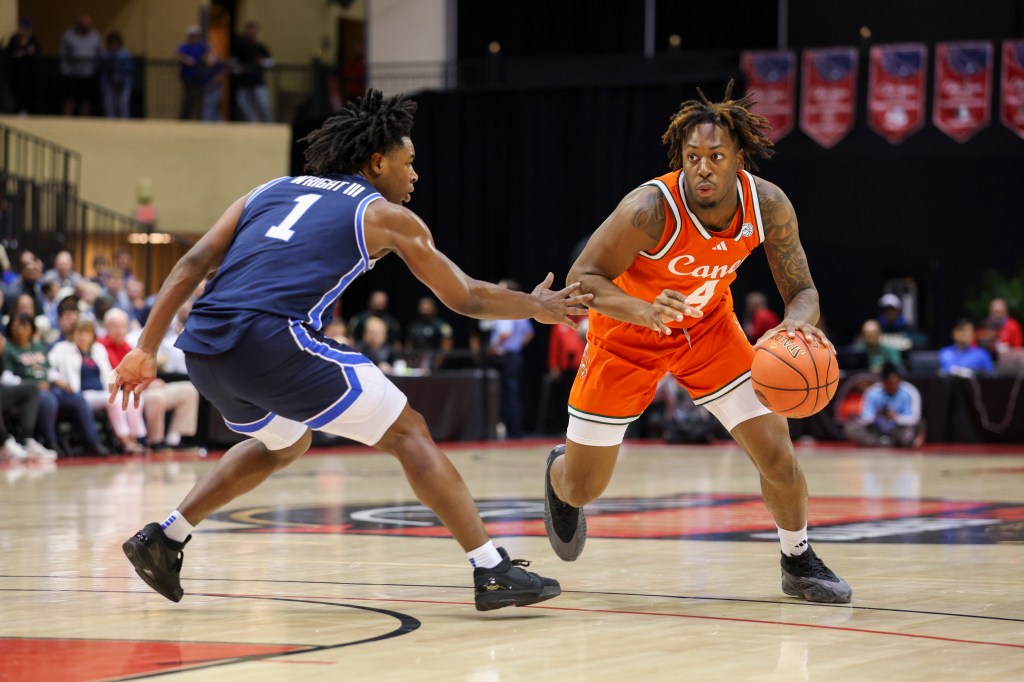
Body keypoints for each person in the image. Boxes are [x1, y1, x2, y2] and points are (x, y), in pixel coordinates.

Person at [108, 89, 590, 611]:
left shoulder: (269, 188)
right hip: (272, 340)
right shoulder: (384, 215)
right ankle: (491, 569)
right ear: (376, 161)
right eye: (408, 164)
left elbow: (191, 263)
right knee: (410, 432)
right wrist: (534, 305)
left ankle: (167, 537)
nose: (415, 176)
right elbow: (465, 296)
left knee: (284, 443)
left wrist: (146, 348)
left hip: (203, 345)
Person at [542, 83, 852, 604]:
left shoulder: (768, 205)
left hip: (709, 331)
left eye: (715, 156)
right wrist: (644, 310)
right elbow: (583, 279)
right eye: (692, 157)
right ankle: (559, 472)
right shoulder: (649, 209)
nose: (702, 168)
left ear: (738, 159)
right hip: (626, 338)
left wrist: (793, 324)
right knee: (583, 487)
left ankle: (797, 559)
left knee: (777, 453)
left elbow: (802, 290)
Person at [487, 279, 534, 439]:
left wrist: (495, 346)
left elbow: (505, 333)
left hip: (506, 356)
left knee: (508, 393)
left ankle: (513, 431)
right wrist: (517, 345)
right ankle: (515, 429)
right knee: (513, 392)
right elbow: (529, 333)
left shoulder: (506, 310)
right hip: (515, 356)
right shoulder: (520, 310)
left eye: (501, 288)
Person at [843, 362, 923, 448]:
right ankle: (880, 442)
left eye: (894, 383)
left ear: (899, 380)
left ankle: (893, 442)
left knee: (916, 428)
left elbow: (914, 418)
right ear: (883, 381)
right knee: (850, 428)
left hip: (898, 430)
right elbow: (865, 418)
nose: (891, 386)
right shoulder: (872, 392)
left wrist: (895, 417)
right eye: (889, 383)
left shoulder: (909, 392)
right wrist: (876, 416)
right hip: (876, 430)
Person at [230, 21, 274, 123]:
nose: (251, 33)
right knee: (244, 106)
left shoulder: (260, 47)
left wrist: (261, 61)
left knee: (263, 105)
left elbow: (270, 62)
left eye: (253, 31)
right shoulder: (239, 47)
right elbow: (232, 62)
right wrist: (239, 69)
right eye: (249, 31)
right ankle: (251, 125)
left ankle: (268, 125)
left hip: (258, 81)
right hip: (243, 82)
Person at [59, 14, 102, 117]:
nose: (85, 27)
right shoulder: (69, 35)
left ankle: (84, 121)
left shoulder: (95, 36)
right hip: (72, 74)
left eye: (88, 25)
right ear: (78, 25)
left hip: (89, 74)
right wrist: (65, 71)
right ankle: (66, 120)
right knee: (69, 98)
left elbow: (98, 53)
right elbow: (63, 54)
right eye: (83, 25)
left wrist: (96, 69)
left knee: (86, 100)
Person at [405, 296, 453, 369]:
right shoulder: (413, 326)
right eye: (423, 306)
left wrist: (435, 365)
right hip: (417, 363)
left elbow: (446, 347)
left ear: (434, 308)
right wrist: (411, 362)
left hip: (436, 363)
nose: (425, 309)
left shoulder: (442, 325)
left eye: (428, 307)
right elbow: (409, 346)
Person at [5, 18, 41, 115]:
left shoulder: (33, 41)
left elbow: (36, 54)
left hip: (30, 74)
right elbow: (10, 54)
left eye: (27, 28)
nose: (24, 30)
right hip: (16, 73)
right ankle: (18, 109)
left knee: (30, 93)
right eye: (22, 27)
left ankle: (28, 110)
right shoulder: (14, 39)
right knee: (17, 93)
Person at [176, 26, 209, 120]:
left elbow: (210, 54)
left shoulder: (201, 46)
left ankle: (200, 117)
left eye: (195, 36)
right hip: (187, 76)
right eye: (191, 36)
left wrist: (206, 61)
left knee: (199, 98)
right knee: (188, 97)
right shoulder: (184, 46)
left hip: (198, 76)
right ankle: (185, 118)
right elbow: (176, 53)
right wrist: (186, 59)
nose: (193, 38)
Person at [99, 31, 133, 119]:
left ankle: (125, 128)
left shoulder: (124, 55)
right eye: (112, 43)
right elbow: (101, 69)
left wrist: (121, 81)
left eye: (115, 43)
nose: (113, 46)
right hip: (108, 85)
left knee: (123, 106)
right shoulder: (105, 55)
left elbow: (129, 69)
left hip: (123, 85)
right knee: (110, 108)